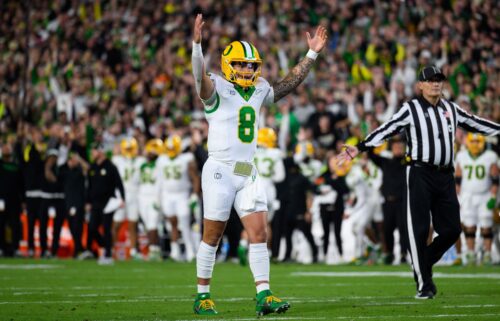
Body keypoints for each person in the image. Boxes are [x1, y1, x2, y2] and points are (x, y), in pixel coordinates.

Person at [191, 13, 327, 315]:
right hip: (219, 169)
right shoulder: (215, 87)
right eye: (240, 64)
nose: (247, 69)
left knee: (259, 233)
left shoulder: (260, 87)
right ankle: (202, 295)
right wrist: (196, 46)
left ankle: (264, 294)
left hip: (246, 170)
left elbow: (287, 84)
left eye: (251, 65)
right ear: (228, 65)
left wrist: (312, 53)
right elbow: (198, 75)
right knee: (212, 235)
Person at [337, 66, 500, 299]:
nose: (436, 84)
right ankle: (424, 284)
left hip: (445, 175)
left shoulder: (450, 109)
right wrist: (360, 147)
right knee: (419, 229)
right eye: (431, 80)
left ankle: (422, 263)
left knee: (453, 229)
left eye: (439, 80)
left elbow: (476, 123)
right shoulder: (411, 108)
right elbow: (388, 128)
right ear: (420, 85)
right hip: (419, 173)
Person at [455, 133, 498, 266]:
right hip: (467, 195)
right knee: (469, 226)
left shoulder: (490, 156)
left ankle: (487, 253)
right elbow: (458, 179)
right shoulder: (461, 156)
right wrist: (457, 197)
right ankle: (471, 253)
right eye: (472, 142)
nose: (474, 144)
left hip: (484, 194)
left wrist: (493, 196)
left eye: (477, 141)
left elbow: (495, 179)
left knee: (486, 225)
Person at [157, 135, 200, 262]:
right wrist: (157, 197)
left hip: (182, 194)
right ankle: (175, 251)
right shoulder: (161, 160)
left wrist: (194, 194)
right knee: (172, 223)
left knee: (184, 223)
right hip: (167, 194)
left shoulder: (186, 159)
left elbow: (195, 178)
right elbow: (159, 180)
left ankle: (190, 251)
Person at [82, 142, 125, 265]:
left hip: (108, 202)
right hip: (95, 203)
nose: (92, 154)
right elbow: (88, 187)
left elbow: (119, 183)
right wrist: (87, 201)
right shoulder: (92, 167)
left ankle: (108, 254)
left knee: (106, 227)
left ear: (100, 152)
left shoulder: (111, 167)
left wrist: (122, 198)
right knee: (92, 228)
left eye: (94, 151)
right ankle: (105, 245)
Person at [112, 138, 145, 260]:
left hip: (135, 194)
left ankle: (133, 250)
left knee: (133, 223)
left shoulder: (140, 161)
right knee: (116, 223)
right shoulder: (117, 160)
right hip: (121, 194)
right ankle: (111, 249)